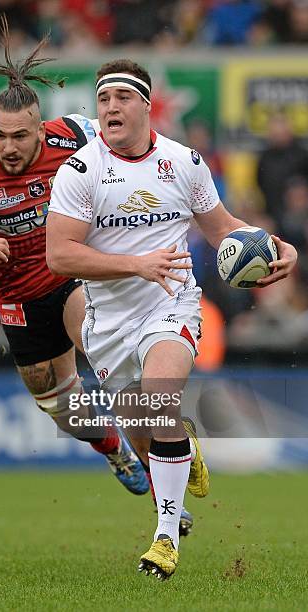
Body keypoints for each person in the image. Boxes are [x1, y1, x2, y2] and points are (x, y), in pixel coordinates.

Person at [46, 59, 298, 579]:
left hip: (171, 302)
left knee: (160, 396)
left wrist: (276, 245)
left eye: (122, 98)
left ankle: (165, 539)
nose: (110, 107)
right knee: (148, 428)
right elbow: (59, 256)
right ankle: (181, 445)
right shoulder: (80, 169)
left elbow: (223, 228)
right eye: (103, 99)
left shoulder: (185, 162)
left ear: (146, 105)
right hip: (107, 320)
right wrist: (134, 264)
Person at [0, 25, 151, 499]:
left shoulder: (76, 137)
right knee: (59, 406)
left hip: (71, 276)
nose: (9, 147)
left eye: (20, 136)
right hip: (17, 298)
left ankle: (168, 455)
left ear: (41, 128)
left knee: (104, 352)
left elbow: (134, 155)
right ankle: (114, 449)